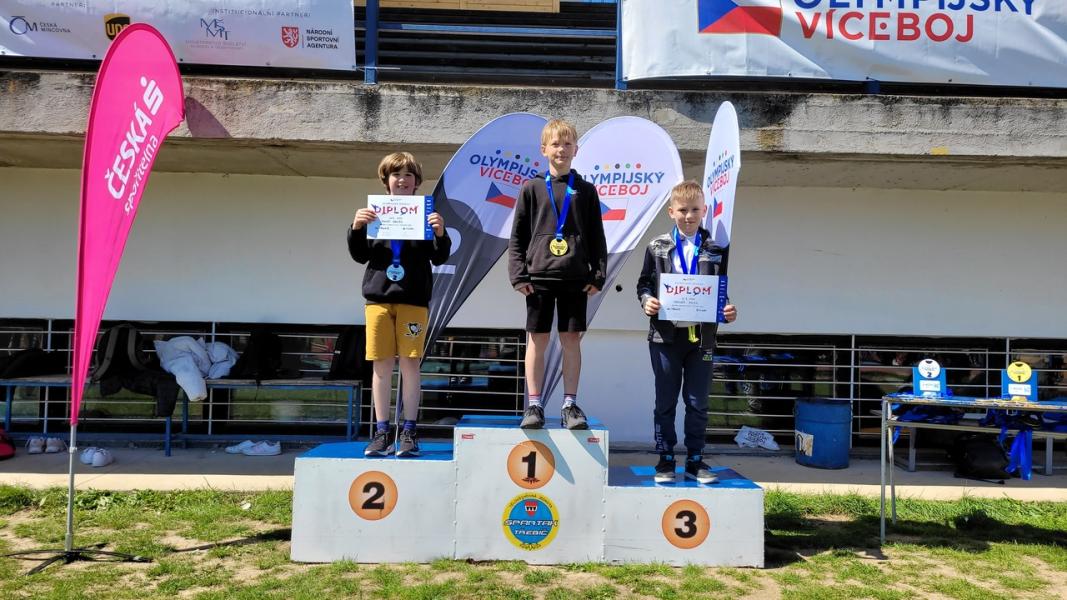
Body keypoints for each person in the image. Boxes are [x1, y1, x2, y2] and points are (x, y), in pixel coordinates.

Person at [349, 152, 451, 457]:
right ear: (386, 180)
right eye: (396, 174)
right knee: (381, 366)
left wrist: (440, 233)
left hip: (414, 300)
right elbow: (360, 255)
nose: (402, 180)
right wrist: (356, 228)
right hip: (378, 300)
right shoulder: (374, 214)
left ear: (417, 182)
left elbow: (439, 257)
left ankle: (409, 431)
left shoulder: (425, 215)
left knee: (410, 365)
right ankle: (382, 432)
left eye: (408, 175)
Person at [636, 180, 737, 484]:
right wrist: (647, 301)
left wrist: (727, 309)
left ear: (704, 211)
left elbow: (719, 289)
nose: (689, 215)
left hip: (701, 338)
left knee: (697, 402)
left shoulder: (716, 249)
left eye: (694, 209)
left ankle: (695, 460)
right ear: (671, 212)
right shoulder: (657, 246)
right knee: (665, 401)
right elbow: (643, 283)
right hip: (665, 337)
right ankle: (665, 459)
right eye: (682, 210)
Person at [508, 119, 607, 430]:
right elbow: (518, 236)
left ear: (576, 150)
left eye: (567, 144)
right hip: (538, 277)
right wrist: (518, 274)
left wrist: (598, 274)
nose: (561, 149)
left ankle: (569, 405)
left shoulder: (586, 190)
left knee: (571, 339)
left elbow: (597, 236)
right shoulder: (532, 188)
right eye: (555, 144)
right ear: (544, 150)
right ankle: (534, 404)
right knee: (537, 339)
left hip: (575, 277)